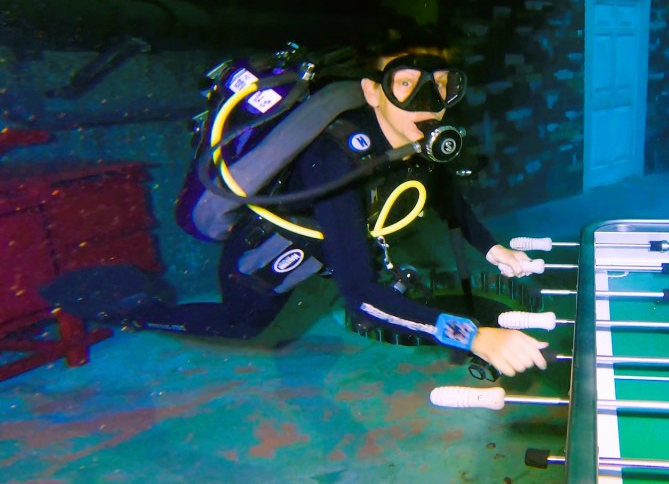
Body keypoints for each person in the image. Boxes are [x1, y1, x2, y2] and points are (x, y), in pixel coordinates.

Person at [46, 26, 549, 378]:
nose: (427, 103)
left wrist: (491, 249)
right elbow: (362, 298)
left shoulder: (413, 139)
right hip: (265, 255)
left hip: (327, 249)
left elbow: (443, 195)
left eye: (441, 87)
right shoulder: (337, 159)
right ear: (373, 93)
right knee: (244, 325)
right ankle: (136, 314)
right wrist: (473, 337)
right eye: (406, 85)